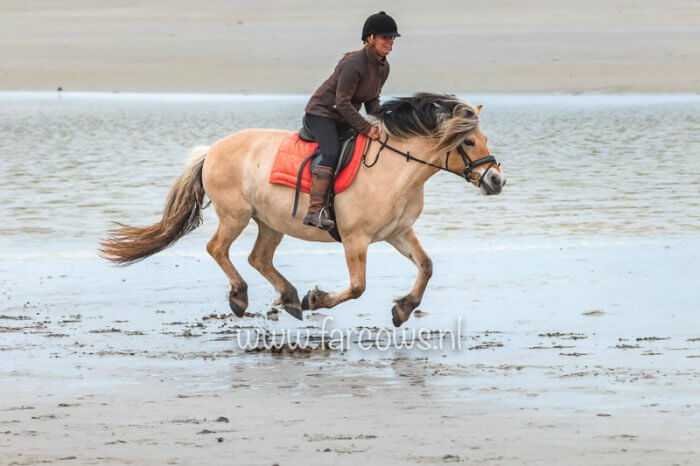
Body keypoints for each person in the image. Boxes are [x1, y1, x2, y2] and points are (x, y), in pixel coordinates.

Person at [302, 11, 400, 230]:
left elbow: (372, 99)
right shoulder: (353, 64)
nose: (390, 42)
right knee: (331, 152)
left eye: (392, 38)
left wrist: (381, 125)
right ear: (370, 38)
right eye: (385, 37)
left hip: (341, 116)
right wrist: (366, 127)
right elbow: (343, 102)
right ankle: (315, 210)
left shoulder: (384, 67)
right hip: (322, 113)